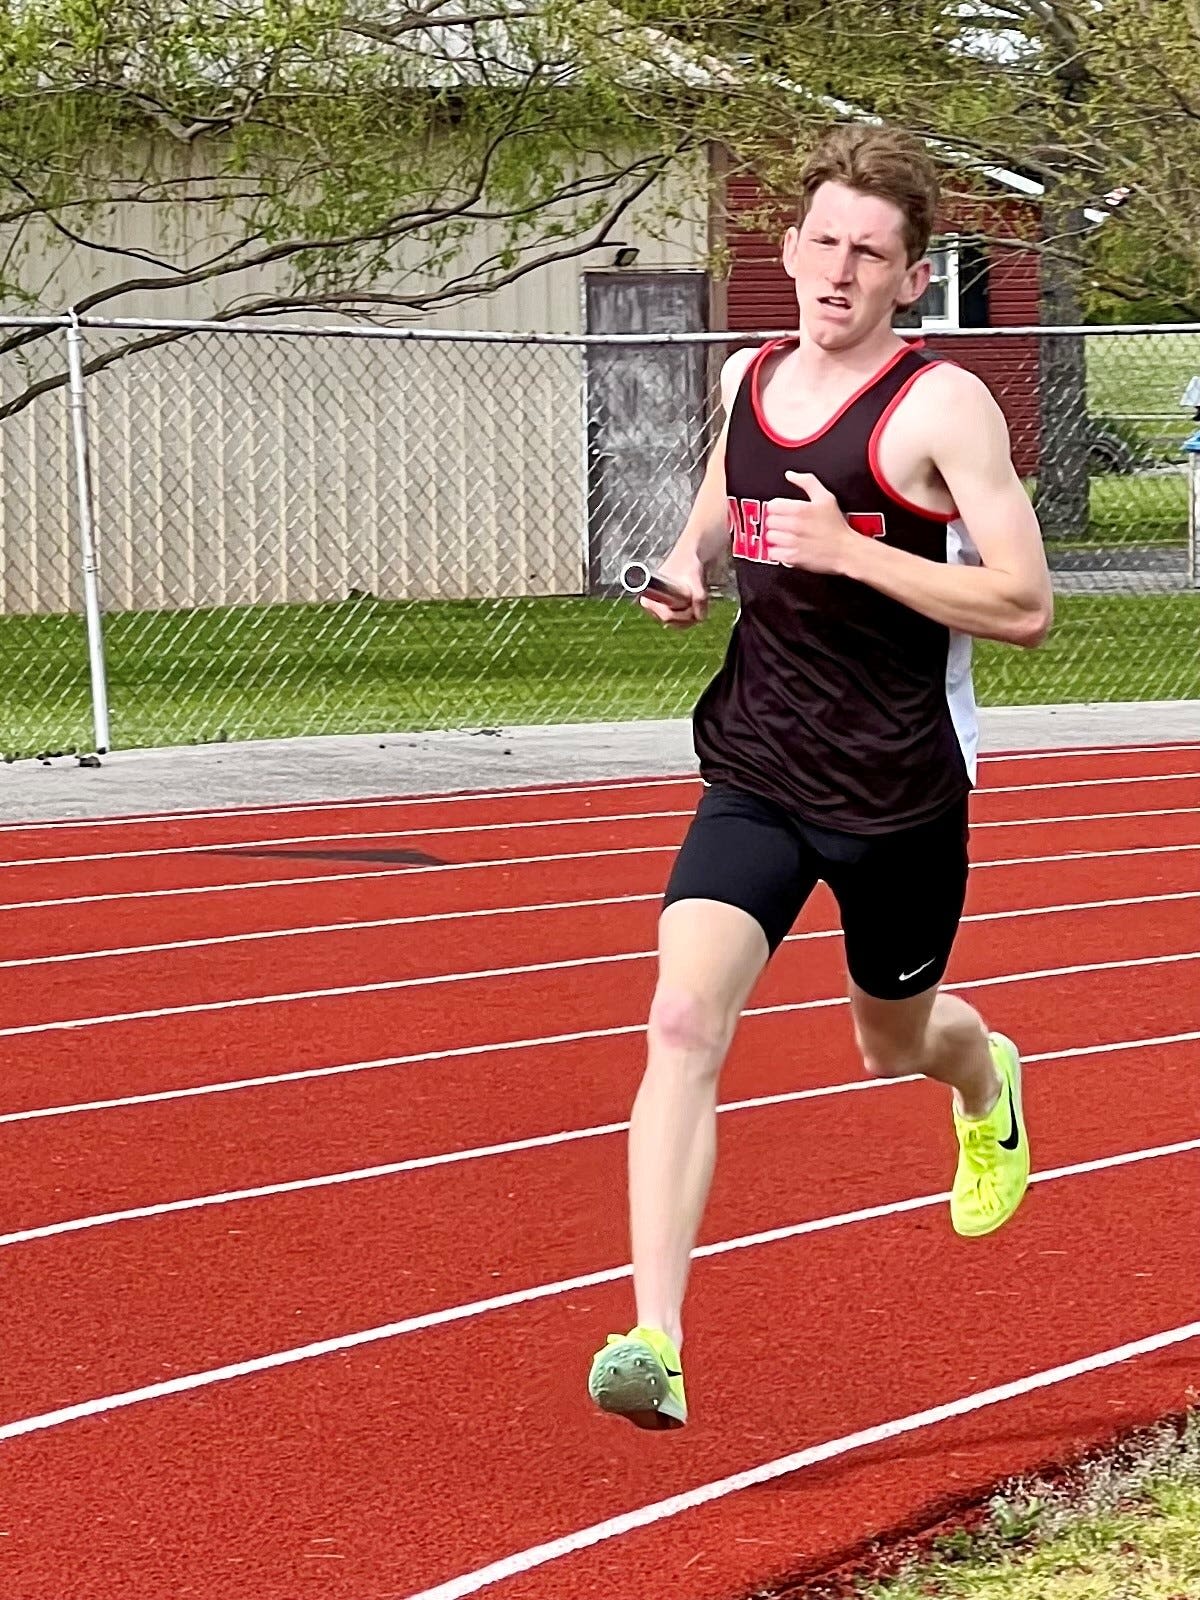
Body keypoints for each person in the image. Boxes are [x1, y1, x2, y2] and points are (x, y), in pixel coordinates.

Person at [587, 124, 1054, 1431]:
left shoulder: (940, 405)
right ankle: (655, 1339)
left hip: (900, 787)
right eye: (825, 243)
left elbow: (1023, 604)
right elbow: (724, 488)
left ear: (913, 278)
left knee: (885, 1043)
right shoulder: (748, 373)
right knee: (682, 1023)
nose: (839, 272)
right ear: (789, 248)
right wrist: (686, 565)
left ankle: (983, 1080)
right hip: (758, 763)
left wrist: (855, 554)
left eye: (873, 254)